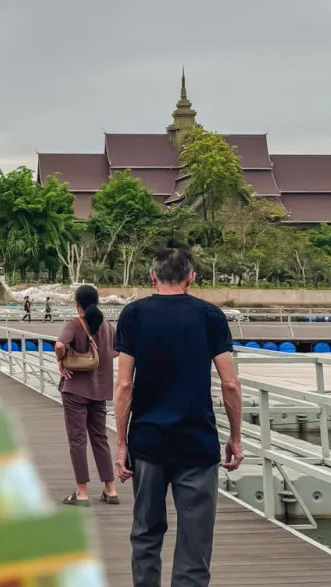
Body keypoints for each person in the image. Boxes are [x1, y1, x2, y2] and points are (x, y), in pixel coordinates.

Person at [114, 247, 243, 587]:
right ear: (192, 277)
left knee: (145, 534)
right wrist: (235, 436)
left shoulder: (134, 315)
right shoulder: (210, 316)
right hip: (197, 444)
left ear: (152, 276)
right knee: (195, 543)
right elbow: (230, 383)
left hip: (147, 441)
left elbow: (124, 384)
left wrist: (120, 443)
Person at [55, 284, 118, 507]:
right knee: (100, 438)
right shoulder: (108, 326)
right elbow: (117, 351)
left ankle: (81, 492)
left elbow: (60, 345)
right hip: (99, 391)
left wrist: (61, 362)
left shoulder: (74, 323)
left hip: (75, 390)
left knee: (77, 439)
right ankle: (110, 489)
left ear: (77, 304)